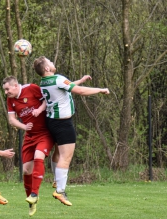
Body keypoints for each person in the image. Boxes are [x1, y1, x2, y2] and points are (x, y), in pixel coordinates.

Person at [33, 56, 110, 206]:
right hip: (63, 124)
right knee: (66, 157)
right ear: (47, 68)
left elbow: (66, 86)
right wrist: (100, 90)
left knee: (57, 152)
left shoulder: (44, 82)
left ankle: (57, 180)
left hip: (52, 121)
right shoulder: (57, 79)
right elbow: (79, 92)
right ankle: (60, 191)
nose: (53, 63)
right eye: (50, 62)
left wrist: (80, 80)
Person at [2, 76, 54, 216]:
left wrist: (39, 110)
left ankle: (35, 194)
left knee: (39, 157)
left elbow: (47, 101)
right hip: (29, 137)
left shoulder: (31, 88)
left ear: (15, 85)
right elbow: (12, 120)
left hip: (44, 133)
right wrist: (24, 126)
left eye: (7, 89)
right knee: (26, 170)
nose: (6, 92)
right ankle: (32, 202)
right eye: (5, 90)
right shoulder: (10, 100)